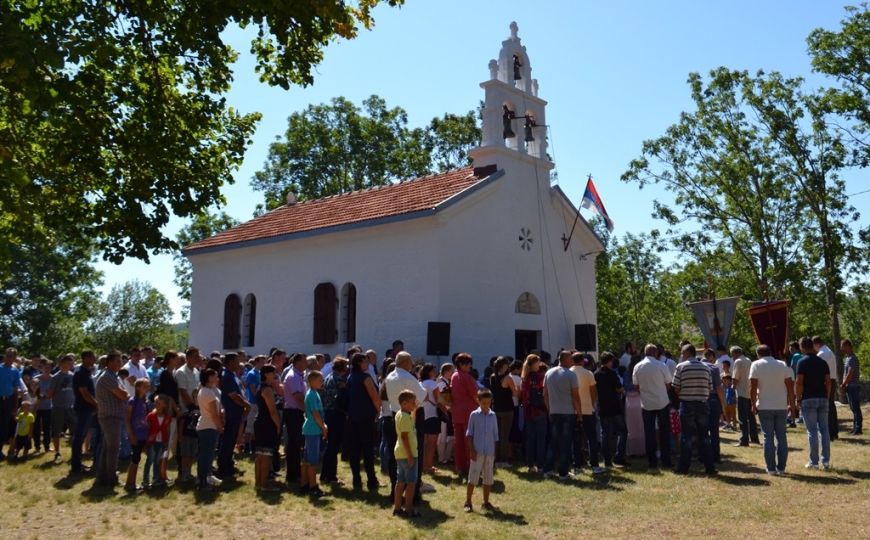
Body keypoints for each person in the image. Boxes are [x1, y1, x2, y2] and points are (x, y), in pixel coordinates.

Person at [385, 352, 427, 501]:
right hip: (411, 415)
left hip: (394, 415)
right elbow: (424, 397)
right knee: (414, 452)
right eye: (410, 361)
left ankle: (395, 491)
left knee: (395, 455)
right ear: (404, 362)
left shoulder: (389, 376)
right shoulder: (408, 378)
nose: (412, 364)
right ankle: (413, 493)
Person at [750, 344, 795, 476]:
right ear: (770, 352)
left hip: (764, 405)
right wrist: (791, 404)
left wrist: (753, 404)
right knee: (781, 436)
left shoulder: (756, 365)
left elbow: (753, 387)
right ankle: (781, 467)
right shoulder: (782, 364)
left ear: (759, 354)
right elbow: (789, 387)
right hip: (781, 405)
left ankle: (771, 468)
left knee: (768, 437)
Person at [671, 344, 716, 475]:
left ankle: (684, 467)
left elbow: (676, 388)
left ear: (686, 353)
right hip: (703, 403)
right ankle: (709, 467)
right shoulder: (706, 368)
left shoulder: (681, 367)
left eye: (681, 353)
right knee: (704, 436)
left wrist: (684, 395)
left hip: (687, 404)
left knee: (686, 436)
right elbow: (709, 388)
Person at [542, 350, 583, 480]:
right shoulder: (571, 375)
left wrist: (549, 410)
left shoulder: (548, 373)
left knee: (553, 441)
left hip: (554, 412)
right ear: (565, 360)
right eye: (571, 359)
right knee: (566, 442)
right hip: (568, 412)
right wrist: (580, 414)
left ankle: (548, 469)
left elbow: (545, 394)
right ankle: (563, 472)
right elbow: (576, 396)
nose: (572, 361)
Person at [632, 344, 673, 468]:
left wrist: (646, 393)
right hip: (662, 402)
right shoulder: (662, 365)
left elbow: (636, 386)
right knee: (664, 432)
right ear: (656, 353)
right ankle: (666, 460)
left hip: (647, 403)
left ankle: (652, 461)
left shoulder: (638, 366)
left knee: (649, 433)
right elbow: (668, 385)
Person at [345, 352, 382, 489]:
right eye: (365, 361)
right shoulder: (365, 378)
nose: (368, 363)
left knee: (354, 450)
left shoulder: (350, 377)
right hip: (365, 417)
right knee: (367, 450)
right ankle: (372, 480)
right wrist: (378, 411)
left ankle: (356, 479)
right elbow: (375, 397)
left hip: (352, 417)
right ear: (359, 363)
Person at [794, 336, 831, 469]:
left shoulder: (802, 362)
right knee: (824, 429)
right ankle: (825, 460)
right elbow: (828, 381)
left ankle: (814, 462)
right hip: (822, 397)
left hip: (808, 398)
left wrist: (797, 399)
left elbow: (799, 382)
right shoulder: (822, 362)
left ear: (802, 347)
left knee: (812, 431)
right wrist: (826, 396)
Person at [95, 351, 129, 487]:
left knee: (107, 447)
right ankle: (111, 478)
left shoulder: (114, 376)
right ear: (109, 363)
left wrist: (124, 393)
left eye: (121, 361)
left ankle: (102, 475)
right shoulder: (108, 377)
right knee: (114, 448)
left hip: (113, 416)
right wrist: (124, 393)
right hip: (110, 417)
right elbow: (123, 395)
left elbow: (124, 393)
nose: (120, 364)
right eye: (117, 361)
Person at [464, 388, 499, 513]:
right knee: (473, 477)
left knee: (488, 478)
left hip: (489, 452)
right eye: (484, 403)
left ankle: (486, 501)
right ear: (478, 401)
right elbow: (469, 434)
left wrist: (494, 452)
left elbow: (495, 435)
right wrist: (472, 450)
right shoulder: (474, 415)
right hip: (477, 451)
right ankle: (468, 501)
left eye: (489, 403)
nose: (486, 405)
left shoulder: (493, 416)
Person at [218, 352, 250, 479]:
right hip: (230, 413)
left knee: (231, 441)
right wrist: (247, 405)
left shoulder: (233, 376)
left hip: (236, 413)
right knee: (227, 441)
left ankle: (228, 463)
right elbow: (234, 396)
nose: (239, 363)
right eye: (237, 361)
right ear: (231, 362)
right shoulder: (227, 377)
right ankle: (223, 466)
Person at [595, 352, 629, 467]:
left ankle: (607, 459)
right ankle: (619, 456)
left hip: (602, 407)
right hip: (614, 406)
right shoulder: (612, 374)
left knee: (604, 433)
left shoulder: (596, 374)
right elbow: (620, 389)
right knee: (622, 431)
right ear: (610, 362)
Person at [571, 351, 603, 474]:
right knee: (592, 438)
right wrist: (591, 402)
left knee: (577, 439)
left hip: (573, 410)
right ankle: (594, 464)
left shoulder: (570, 373)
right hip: (587, 409)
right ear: (582, 361)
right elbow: (594, 392)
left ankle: (577, 465)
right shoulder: (588, 373)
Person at [450, 353, 480, 475]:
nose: (470, 366)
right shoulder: (467, 378)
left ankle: (460, 466)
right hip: (469, 412)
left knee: (459, 442)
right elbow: (475, 395)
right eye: (468, 364)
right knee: (470, 441)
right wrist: (484, 407)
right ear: (461, 364)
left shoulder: (454, 376)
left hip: (456, 412)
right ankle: (471, 466)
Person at [320, 357, 348, 485]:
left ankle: (324, 474)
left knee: (330, 445)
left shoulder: (328, 377)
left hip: (328, 413)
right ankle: (331, 476)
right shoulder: (338, 380)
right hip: (336, 414)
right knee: (334, 446)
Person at [392, 389, 420, 518]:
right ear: (404, 404)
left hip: (400, 453)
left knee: (401, 481)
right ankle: (408, 509)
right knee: (411, 483)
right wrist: (410, 455)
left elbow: (411, 423)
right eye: (412, 402)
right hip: (408, 453)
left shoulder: (401, 414)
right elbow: (404, 437)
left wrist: (414, 411)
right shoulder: (404, 417)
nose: (415, 404)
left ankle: (397, 508)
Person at [253, 365, 281, 492]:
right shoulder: (267, 389)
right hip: (266, 423)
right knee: (265, 455)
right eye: (272, 372)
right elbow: (272, 410)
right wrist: (278, 425)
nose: (275, 374)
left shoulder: (261, 387)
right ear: (266, 374)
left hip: (260, 422)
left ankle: (259, 482)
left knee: (260, 455)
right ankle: (264, 484)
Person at [282, 352, 307, 486]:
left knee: (297, 444)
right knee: (293, 444)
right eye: (304, 361)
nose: (306, 364)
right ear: (298, 363)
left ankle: (296, 472)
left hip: (296, 412)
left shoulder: (298, 376)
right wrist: (308, 407)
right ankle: (292, 474)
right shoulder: (293, 376)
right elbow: (298, 396)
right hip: (292, 412)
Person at [196, 368, 223, 491]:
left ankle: (206, 478)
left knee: (207, 454)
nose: (217, 378)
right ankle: (203, 482)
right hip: (209, 426)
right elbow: (214, 414)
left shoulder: (205, 391)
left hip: (206, 426)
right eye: (215, 376)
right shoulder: (209, 393)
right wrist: (220, 426)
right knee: (206, 456)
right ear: (210, 378)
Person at [71, 350, 98, 474]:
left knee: (82, 436)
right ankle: (76, 465)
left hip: (88, 409)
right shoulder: (81, 374)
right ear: (86, 358)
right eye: (93, 357)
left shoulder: (88, 372)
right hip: (83, 408)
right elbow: (84, 393)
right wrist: (96, 404)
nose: (95, 359)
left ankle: (79, 462)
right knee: (79, 437)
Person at [47, 354, 76, 461]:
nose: (71, 365)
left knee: (75, 429)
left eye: (72, 364)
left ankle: (76, 451)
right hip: (58, 406)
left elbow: (74, 391)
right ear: (63, 364)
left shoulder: (72, 376)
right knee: (57, 430)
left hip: (70, 407)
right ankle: (57, 451)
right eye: (69, 363)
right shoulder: (56, 377)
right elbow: (50, 393)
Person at [521, 354, 547, 473]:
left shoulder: (525, 377)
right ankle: (541, 465)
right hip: (539, 410)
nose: (539, 364)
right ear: (533, 363)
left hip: (528, 411)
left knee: (530, 439)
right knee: (541, 439)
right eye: (537, 362)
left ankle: (530, 465)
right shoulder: (540, 376)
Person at [489, 357, 516, 468]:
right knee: (505, 435)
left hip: (496, 408)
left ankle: (497, 459)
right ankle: (503, 460)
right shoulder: (507, 378)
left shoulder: (492, 377)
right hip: (507, 409)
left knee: (497, 435)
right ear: (504, 365)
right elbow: (515, 392)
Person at [124, 378, 150, 492]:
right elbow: (128, 418)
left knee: (138, 457)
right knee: (135, 457)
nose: (147, 388)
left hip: (143, 432)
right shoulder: (132, 401)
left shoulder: (145, 401)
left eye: (147, 386)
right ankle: (129, 482)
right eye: (144, 386)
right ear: (138, 387)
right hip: (135, 433)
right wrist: (131, 433)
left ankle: (133, 482)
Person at [730, 346, 759, 446]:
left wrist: (733, 387)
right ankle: (754, 438)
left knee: (742, 418)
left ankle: (744, 440)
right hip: (749, 392)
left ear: (734, 354)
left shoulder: (738, 361)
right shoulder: (748, 360)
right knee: (751, 418)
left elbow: (736, 376)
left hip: (742, 392)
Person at [701, 348, 726, 464]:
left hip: (700, 400)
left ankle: (703, 456)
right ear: (711, 357)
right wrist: (723, 404)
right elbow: (719, 388)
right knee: (714, 430)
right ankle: (716, 456)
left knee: (702, 430)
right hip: (713, 399)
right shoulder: (714, 368)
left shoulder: (697, 367)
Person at [812, 336, 838, 441]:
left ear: (815, 344)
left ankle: (830, 433)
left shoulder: (821, 354)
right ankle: (834, 431)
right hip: (832, 380)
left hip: (826, 381)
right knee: (831, 407)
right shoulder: (829, 351)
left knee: (826, 408)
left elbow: (820, 370)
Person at [144, 394, 172, 487]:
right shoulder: (151, 416)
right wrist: (146, 441)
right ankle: (145, 479)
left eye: (159, 403)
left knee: (157, 460)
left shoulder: (167, 417)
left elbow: (168, 430)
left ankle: (155, 478)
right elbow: (147, 429)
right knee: (150, 459)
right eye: (156, 403)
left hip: (161, 441)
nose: (157, 405)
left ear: (164, 405)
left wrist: (167, 442)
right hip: (152, 440)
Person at [419, 363, 442, 474]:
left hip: (422, 414)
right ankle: (428, 465)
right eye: (433, 371)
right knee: (432, 443)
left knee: (424, 442)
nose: (435, 373)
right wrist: (446, 411)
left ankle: (423, 465)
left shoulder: (419, 383)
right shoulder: (432, 384)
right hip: (433, 415)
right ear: (429, 372)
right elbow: (439, 400)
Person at [623, 354, 645, 457]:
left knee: (630, 427)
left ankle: (631, 450)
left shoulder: (626, 374)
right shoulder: (640, 372)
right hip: (639, 399)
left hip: (629, 400)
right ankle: (642, 449)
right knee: (641, 426)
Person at [839, 339, 862, 435]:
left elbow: (850, 373)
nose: (841, 348)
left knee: (855, 407)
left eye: (842, 346)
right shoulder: (848, 358)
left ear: (847, 346)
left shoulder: (852, 358)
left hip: (853, 386)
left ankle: (858, 428)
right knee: (853, 408)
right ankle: (855, 427)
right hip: (850, 386)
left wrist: (844, 384)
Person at [436, 363, 455, 465]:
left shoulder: (447, 382)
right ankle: (441, 458)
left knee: (450, 436)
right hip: (444, 413)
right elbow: (445, 402)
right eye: (452, 371)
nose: (453, 373)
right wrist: (452, 411)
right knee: (442, 436)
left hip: (448, 412)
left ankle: (447, 457)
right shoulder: (441, 384)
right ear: (446, 372)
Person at [34, 359, 53, 454]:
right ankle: (37, 446)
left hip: (48, 407)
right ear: (42, 368)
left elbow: (53, 392)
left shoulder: (53, 379)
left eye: (49, 368)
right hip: (37, 407)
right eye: (45, 368)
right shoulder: (37, 378)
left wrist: (46, 394)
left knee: (47, 427)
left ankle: (47, 446)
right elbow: (34, 392)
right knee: (36, 427)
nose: (47, 369)